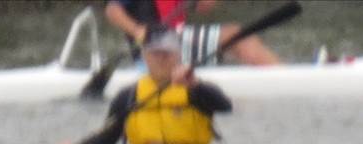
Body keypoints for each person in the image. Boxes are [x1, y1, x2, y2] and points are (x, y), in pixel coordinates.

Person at [48, 30, 234, 144]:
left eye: (167, 54)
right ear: (145, 56)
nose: (161, 59)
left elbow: (225, 105)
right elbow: (105, 142)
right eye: (156, 54)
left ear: (178, 55)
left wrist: (195, 84)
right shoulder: (128, 97)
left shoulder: (196, 89)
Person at [101, 0, 279, 68]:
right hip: (154, 47)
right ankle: (284, 77)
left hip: (175, 43)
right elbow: (112, 10)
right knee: (238, 35)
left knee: (238, 37)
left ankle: (278, 75)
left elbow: (204, 7)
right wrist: (137, 30)